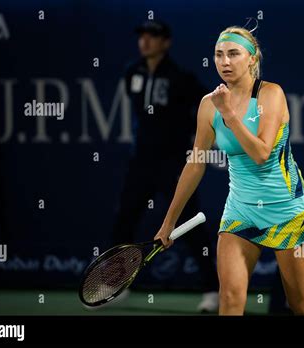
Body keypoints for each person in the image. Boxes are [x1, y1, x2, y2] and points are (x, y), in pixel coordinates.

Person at [154, 26, 304, 315]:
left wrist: (229, 114)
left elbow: (261, 154)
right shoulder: (207, 105)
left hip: (287, 210)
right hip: (240, 211)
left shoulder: (270, 94)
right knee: (231, 300)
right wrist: (168, 223)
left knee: (303, 306)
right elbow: (196, 163)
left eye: (233, 54)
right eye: (218, 55)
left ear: (252, 59)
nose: (225, 62)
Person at [113, 20, 219, 312]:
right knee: (124, 221)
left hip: (172, 164)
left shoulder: (181, 78)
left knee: (189, 226)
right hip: (140, 162)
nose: (145, 41)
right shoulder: (131, 72)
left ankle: (212, 289)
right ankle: (116, 285)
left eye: (153, 36)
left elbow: (205, 111)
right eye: (142, 36)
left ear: (166, 42)